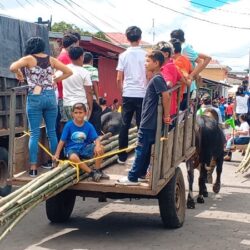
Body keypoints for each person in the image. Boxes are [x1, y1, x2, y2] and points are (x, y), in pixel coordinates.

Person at [9, 37, 72, 177]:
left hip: (35, 97)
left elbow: (13, 67)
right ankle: (54, 163)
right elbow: (68, 72)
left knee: (34, 133)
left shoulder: (29, 59)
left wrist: (18, 73)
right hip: (50, 96)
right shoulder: (51, 60)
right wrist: (55, 80)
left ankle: (33, 168)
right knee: (52, 132)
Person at [118, 50, 171, 184]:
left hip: (148, 122)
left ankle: (132, 177)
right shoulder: (156, 78)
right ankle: (141, 173)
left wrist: (167, 116)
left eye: (148, 61)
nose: (145, 63)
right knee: (146, 149)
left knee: (141, 149)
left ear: (156, 63)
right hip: (150, 121)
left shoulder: (157, 78)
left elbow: (166, 96)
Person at [53, 103, 109, 181]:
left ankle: (97, 170)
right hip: (72, 150)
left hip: (84, 148)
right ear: (72, 114)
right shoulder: (68, 125)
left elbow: (96, 138)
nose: (78, 115)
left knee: (101, 148)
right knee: (73, 158)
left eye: (80, 113)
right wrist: (57, 154)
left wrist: (97, 145)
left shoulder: (88, 125)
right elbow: (62, 141)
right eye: (76, 113)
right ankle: (91, 173)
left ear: (85, 113)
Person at [116, 26, 147, 164]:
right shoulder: (146, 55)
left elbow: (118, 78)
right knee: (142, 125)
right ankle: (140, 156)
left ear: (127, 38)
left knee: (125, 124)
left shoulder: (123, 55)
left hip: (128, 93)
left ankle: (122, 156)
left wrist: (122, 91)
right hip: (143, 93)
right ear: (140, 38)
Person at [170, 29, 211, 99]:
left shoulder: (184, 48)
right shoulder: (184, 48)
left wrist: (192, 75)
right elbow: (205, 58)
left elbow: (202, 61)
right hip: (184, 84)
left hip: (186, 86)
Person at [153, 41, 183, 121]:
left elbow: (168, 84)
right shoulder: (173, 65)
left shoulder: (166, 67)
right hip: (171, 107)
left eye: (157, 54)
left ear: (166, 54)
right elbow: (182, 79)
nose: (154, 56)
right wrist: (176, 82)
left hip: (164, 109)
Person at [62, 46, 93, 120]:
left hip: (67, 104)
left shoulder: (64, 69)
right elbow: (89, 92)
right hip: (80, 106)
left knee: (72, 129)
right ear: (81, 57)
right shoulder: (84, 72)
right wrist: (90, 107)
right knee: (81, 130)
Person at [170, 38, 192, 111]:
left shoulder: (177, 62)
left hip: (174, 97)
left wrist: (185, 81)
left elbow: (186, 76)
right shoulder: (186, 59)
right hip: (180, 95)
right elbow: (192, 72)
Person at [83, 52, 102, 135]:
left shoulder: (80, 68)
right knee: (97, 110)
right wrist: (97, 98)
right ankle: (95, 134)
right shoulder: (93, 69)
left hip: (81, 96)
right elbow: (94, 84)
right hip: (91, 97)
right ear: (91, 61)